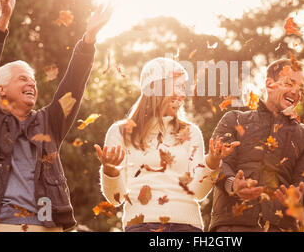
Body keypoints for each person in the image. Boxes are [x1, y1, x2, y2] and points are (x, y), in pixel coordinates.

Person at [0, 0, 112, 232]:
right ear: (1, 89)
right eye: (23, 78)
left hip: (45, 227)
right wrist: (3, 21)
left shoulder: (50, 122)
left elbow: (73, 85)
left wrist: (88, 38)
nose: (32, 84)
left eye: (34, 80)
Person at [95, 57, 239, 232]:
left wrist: (213, 163)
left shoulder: (191, 132)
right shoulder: (120, 132)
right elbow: (116, 199)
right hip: (141, 226)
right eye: (179, 87)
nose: (184, 94)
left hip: (188, 227)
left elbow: (198, 192)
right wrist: (110, 171)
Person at [209, 59, 304, 232]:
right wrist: (233, 184)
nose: (296, 91)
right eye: (289, 83)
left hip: (280, 227)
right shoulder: (234, 119)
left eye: (301, 88)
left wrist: (298, 198)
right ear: (269, 84)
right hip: (232, 226)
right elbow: (217, 164)